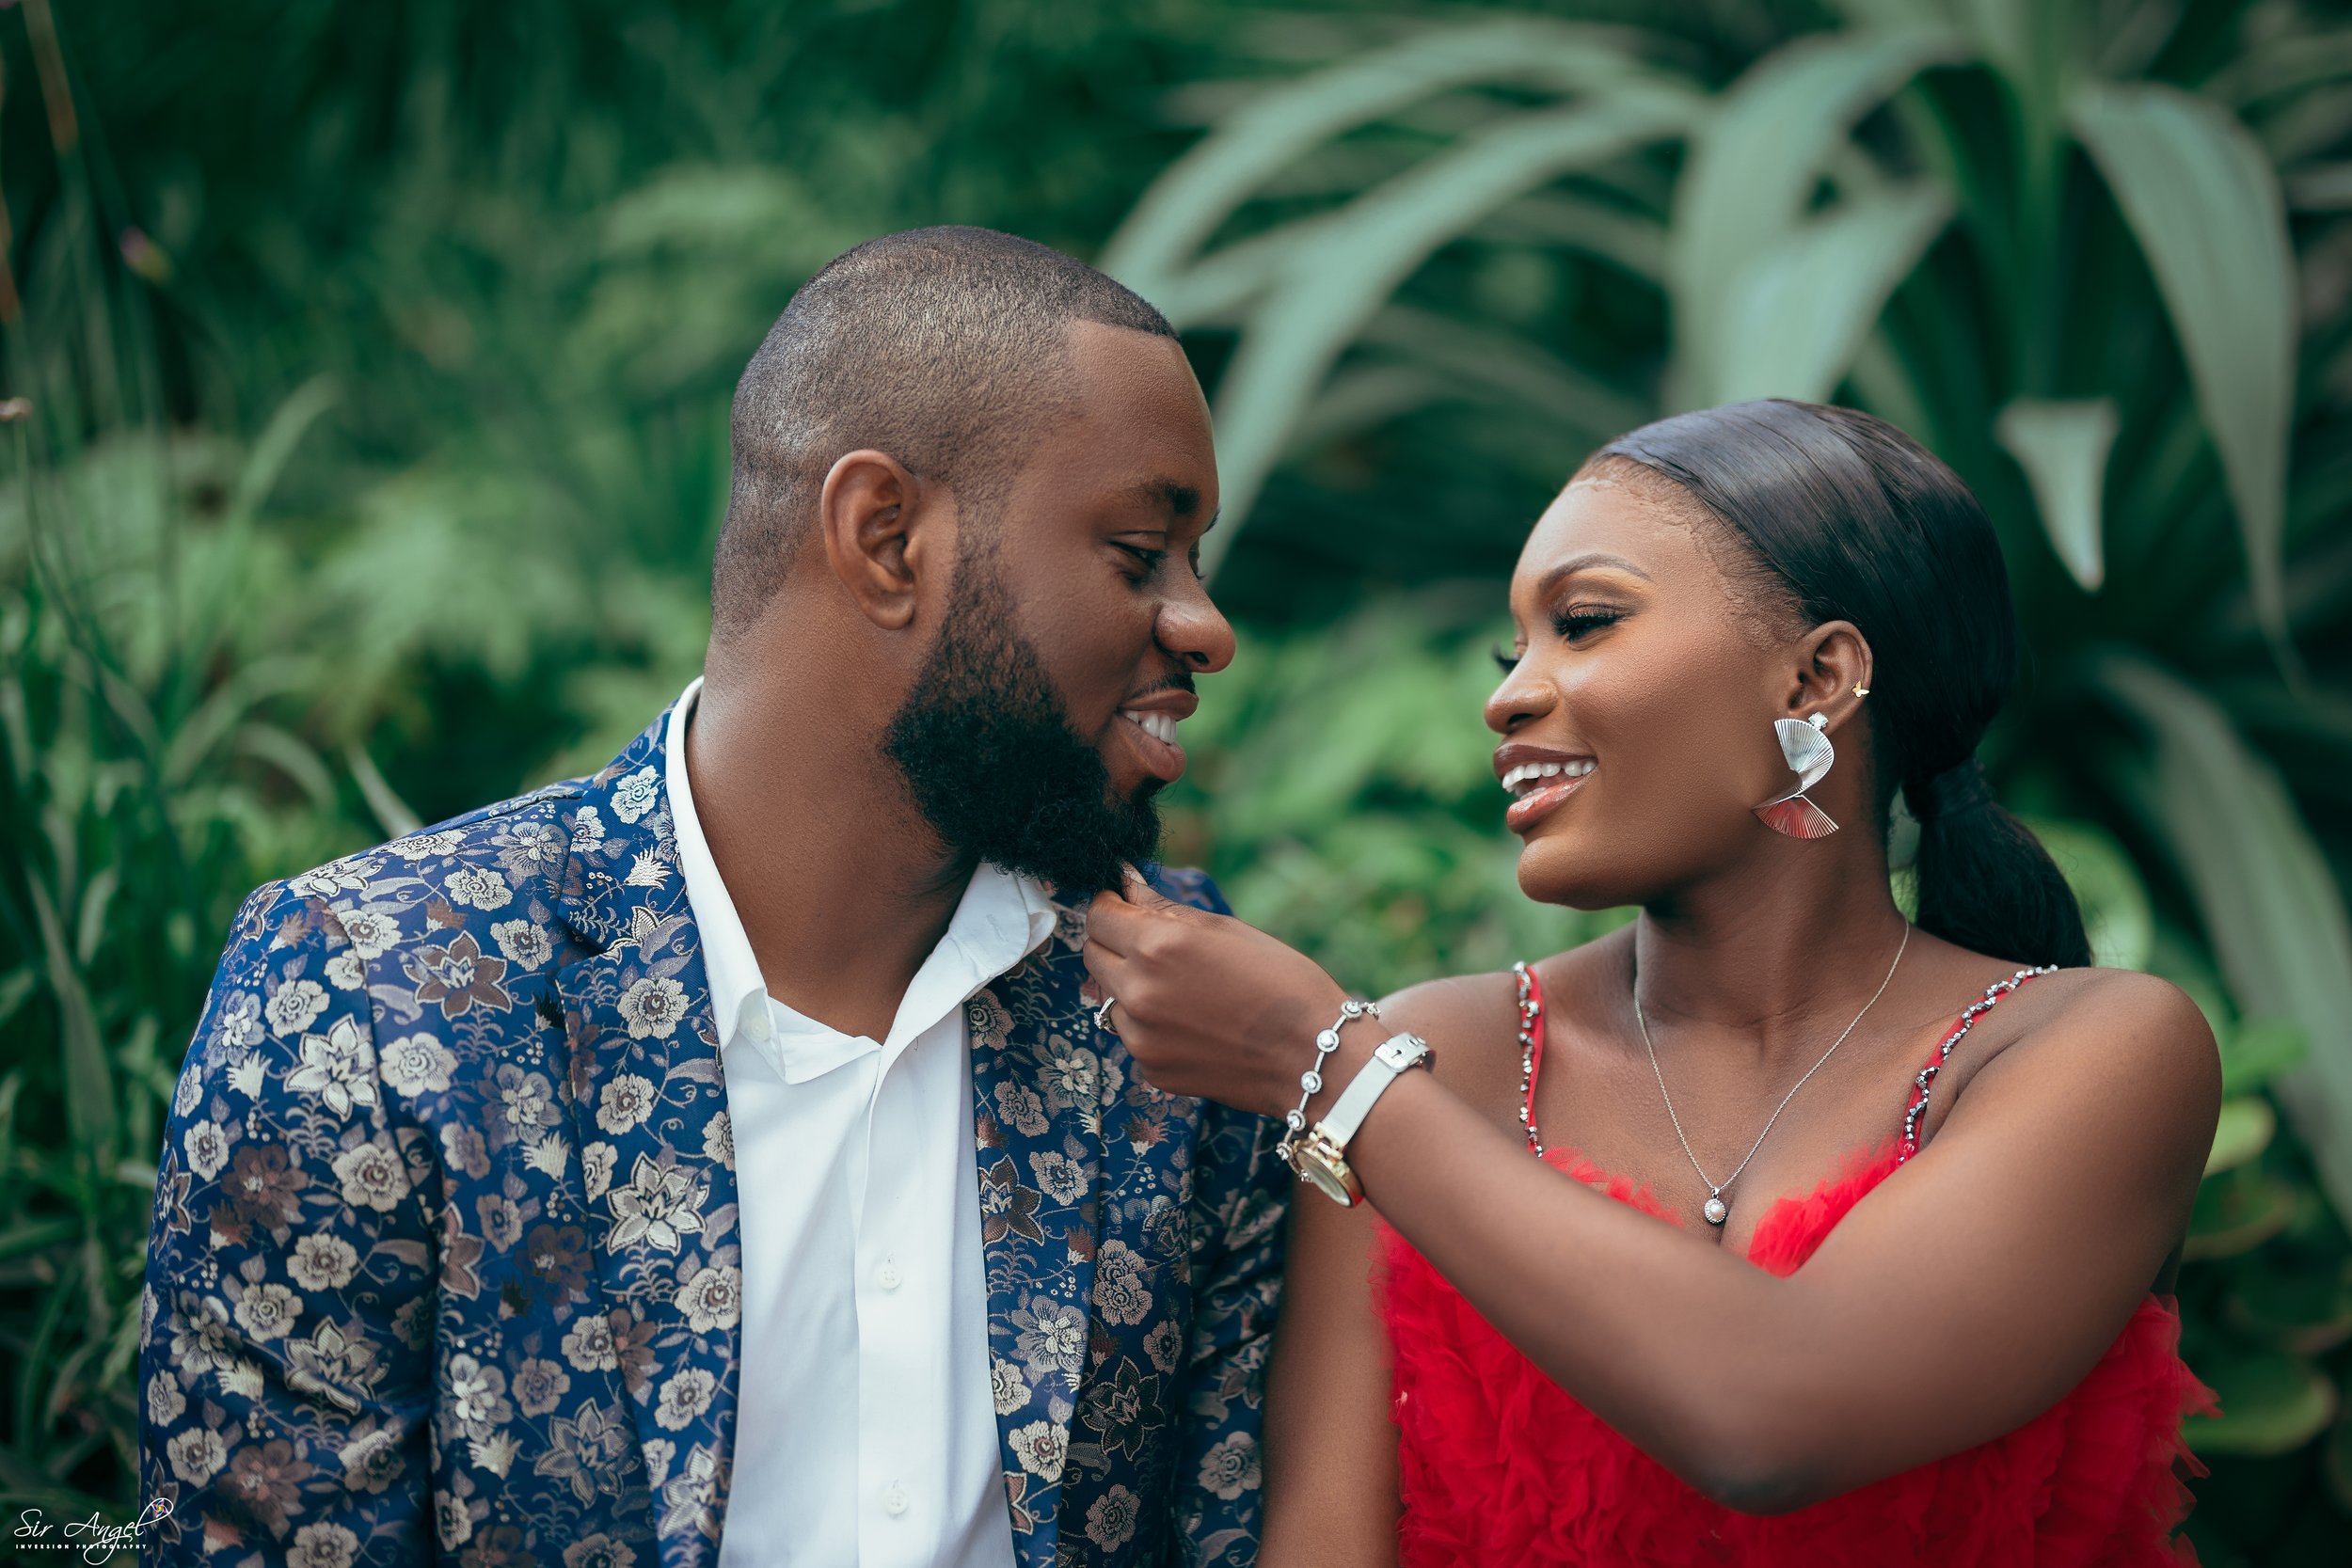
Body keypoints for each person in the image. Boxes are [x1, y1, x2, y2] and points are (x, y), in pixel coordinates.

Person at [139, 228, 1288, 1568]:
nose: (1205, 623)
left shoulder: (1190, 1017)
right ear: (886, 537)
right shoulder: (369, 994)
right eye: (1143, 551)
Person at [1083, 400, 2220, 1567]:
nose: (1509, 695)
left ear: (1816, 676)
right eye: (1511, 650)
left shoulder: (2089, 1051)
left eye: (1584, 621)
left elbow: (1776, 1418)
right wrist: (1354, 1069)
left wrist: (1326, 1068)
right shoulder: (1443, 1056)